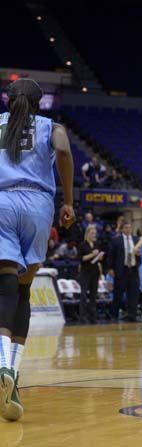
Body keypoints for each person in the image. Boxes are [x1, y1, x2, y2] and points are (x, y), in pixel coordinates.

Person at [0, 78, 75, 422]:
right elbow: (62, 150)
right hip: (37, 204)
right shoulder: (51, 125)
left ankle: (2, 366)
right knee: (24, 291)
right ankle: (11, 373)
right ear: (38, 103)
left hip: (2, 201)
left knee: (4, 287)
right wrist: (69, 201)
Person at [106, 223, 140, 322]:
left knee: (133, 293)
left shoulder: (136, 240)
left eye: (130, 227)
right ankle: (114, 314)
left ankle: (132, 314)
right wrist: (110, 268)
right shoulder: (116, 240)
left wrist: (139, 257)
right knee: (118, 293)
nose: (128, 229)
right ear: (122, 229)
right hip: (121, 269)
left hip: (133, 269)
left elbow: (139, 254)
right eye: (126, 228)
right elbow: (111, 255)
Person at [79, 225, 104, 324]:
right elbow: (81, 259)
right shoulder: (83, 244)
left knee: (93, 295)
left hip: (95, 271)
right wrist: (92, 254)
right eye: (92, 233)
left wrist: (99, 257)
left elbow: (98, 259)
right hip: (85, 272)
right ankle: (82, 316)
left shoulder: (96, 244)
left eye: (95, 233)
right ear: (87, 234)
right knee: (84, 294)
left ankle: (92, 317)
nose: (94, 235)